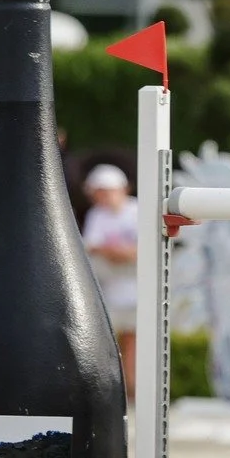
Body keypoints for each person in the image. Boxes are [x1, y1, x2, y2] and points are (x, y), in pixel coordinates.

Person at [80, 164, 138, 399]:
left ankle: (133, 392)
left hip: (136, 291)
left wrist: (112, 252)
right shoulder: (97, 215)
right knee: (107, 346)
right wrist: (119, 252)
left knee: (134, 344)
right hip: (109, 291)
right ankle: (114, 393)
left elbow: (139, 251)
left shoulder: (137, 210)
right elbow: (91, 247)